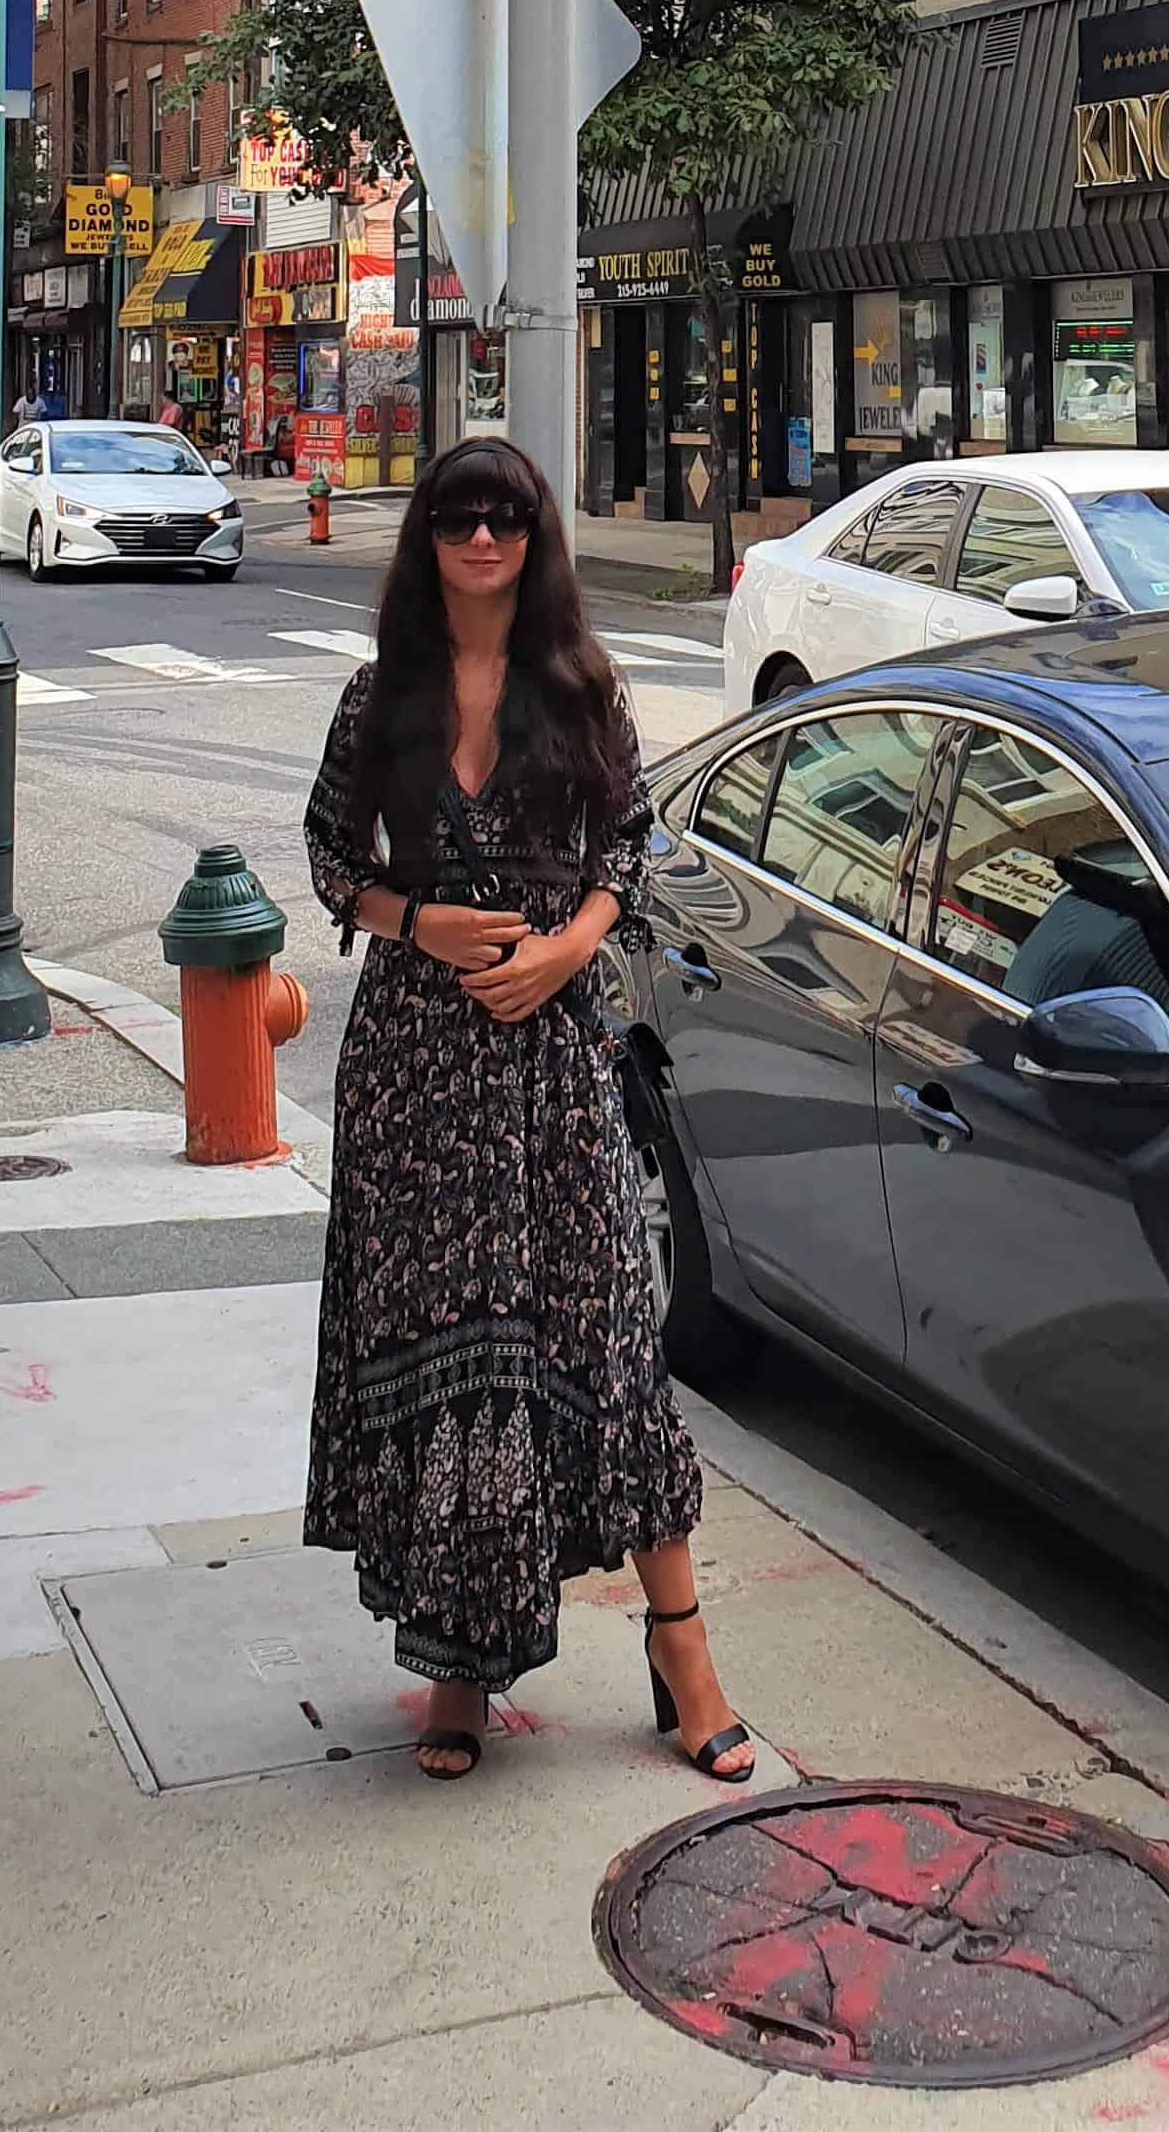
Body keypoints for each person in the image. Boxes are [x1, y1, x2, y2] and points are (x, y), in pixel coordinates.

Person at [300, 436, 749, 1790]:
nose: (481, 539)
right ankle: (458, 1666)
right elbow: (329, 857)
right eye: (457, 517)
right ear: (426, 537)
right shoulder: (383, 699)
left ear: (534, 536)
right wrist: (414, 920)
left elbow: (634, 848)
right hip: (418, 1072)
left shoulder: (584, 689)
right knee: (454, 1352)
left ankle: (684, 1654)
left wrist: (571, 947)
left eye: (505, 517)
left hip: (549, 1065)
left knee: (608, 1340)